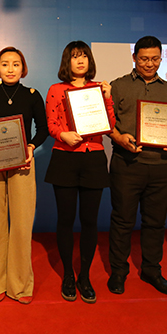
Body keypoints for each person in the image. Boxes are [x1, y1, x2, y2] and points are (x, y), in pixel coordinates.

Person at [107, 36, 167, 296]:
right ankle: (119, 271)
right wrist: (118, 137)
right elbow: (106, 122)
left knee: (155, 223)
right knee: (122, 221)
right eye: (143, 59)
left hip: (162, 166)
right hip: (127, 164)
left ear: (161, 58)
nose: (149, 64)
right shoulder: (118, 86)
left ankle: (152, 270)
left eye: (155, 59)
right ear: (134, 58)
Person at [0, 47, 48, 304]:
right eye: (5, 64)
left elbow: (43, 129)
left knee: (21, 224)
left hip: (22, 163)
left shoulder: (32, 95)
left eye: (16, 64)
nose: (10, 68)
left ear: (23, 68)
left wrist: (31, 146)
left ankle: (20, 284)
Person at [44, 41, 115, 303]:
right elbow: (51, 123)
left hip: (93, 157)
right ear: (67, 61)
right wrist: (62, 135)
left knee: (89, 221)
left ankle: (84, 275)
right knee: (65, 219)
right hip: (64, 157)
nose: (80, 60)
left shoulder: (99, 89)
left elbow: (110, 125)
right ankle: (67, 275)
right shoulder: (56, 89)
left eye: (84, 56)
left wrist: (108, 99)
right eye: (75, 56)